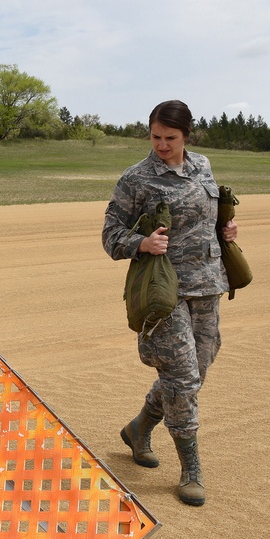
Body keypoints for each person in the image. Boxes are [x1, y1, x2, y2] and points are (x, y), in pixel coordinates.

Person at [102, 100, 238, 506]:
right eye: (156, 137)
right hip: (165, 293)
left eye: (170, 138)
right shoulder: (136, 179)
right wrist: (140, 242)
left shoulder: (203, 166)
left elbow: (205, 217)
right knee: (181, 378)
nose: (161, 145)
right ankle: (191, 469)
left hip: (208, 285)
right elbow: (110, 235)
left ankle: (140, 427)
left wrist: (225, 227)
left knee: (197, 371)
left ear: (187, 136)